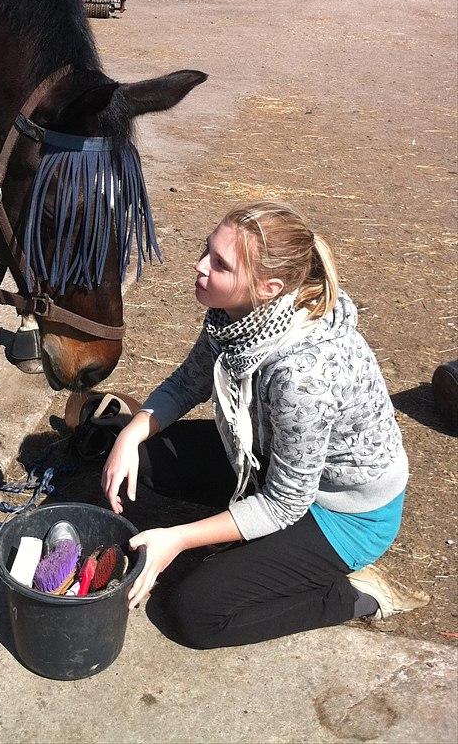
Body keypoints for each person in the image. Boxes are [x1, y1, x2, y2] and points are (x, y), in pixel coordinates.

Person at [101, 201, 428, 648]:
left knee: (193, 613)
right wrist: (132, 430)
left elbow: (284, 504)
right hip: (270, 460)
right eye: (206, 251)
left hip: (342, 514)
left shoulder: (302, 374)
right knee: (136, 458)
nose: (199, 266)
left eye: (219, 264)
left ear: (269, 287)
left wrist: (178, 539)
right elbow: (187, 382)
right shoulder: (234, 317)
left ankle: (351, 595)